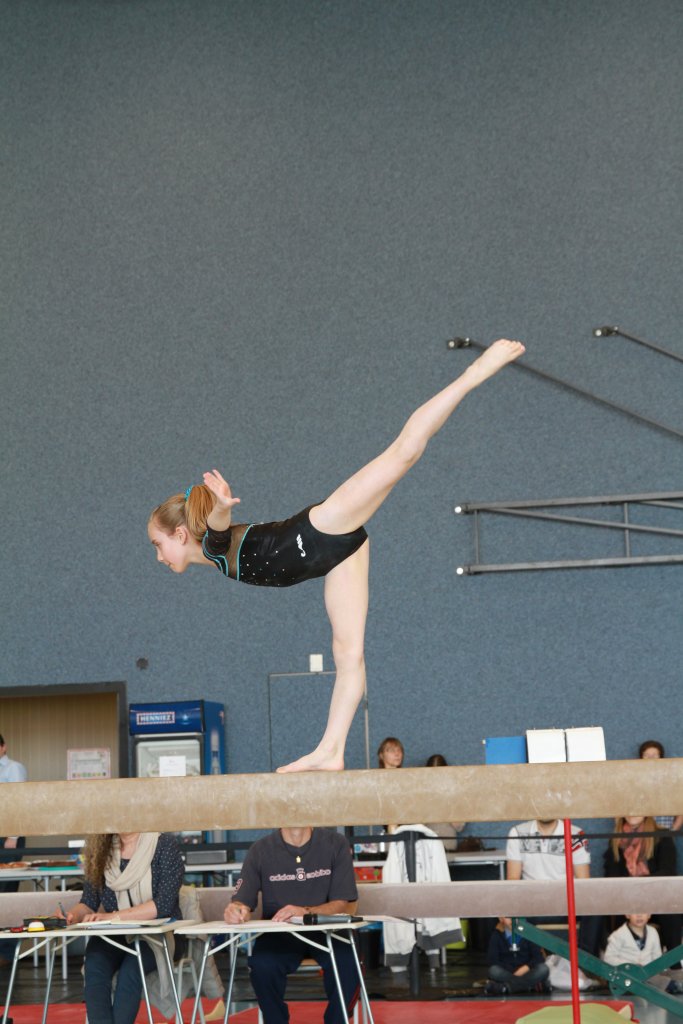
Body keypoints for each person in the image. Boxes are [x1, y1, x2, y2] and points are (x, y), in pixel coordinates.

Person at [148, 339, 525, 773]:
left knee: (404, 452)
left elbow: (214, 534)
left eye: (158, 544)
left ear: (180, 533)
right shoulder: (213, 553)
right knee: (348, 654)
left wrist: (218, 510)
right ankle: (331, 749)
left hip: (321, 528)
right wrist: (216, 511)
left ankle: (476, 372)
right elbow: (213, 534)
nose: (159, 556)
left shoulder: (214, 548)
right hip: (338, 556)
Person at [225, 825, 359, 1024]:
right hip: (280, 933)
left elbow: (343, 904)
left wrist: (305, 912)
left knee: (349, 962)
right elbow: (242, 901)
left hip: (327, 929)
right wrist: (236, 909)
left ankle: (337, 1020)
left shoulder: (336, 844)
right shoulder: (260, 850)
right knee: (262, 966)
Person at [62, 832, 184, 1024]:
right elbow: (88, 902)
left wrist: (112, 916)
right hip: (114, 933)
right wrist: (72, 915)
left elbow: (163, 906)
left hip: (158, 934)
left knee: (130, 972)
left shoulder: (163, 844)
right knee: (94, 967)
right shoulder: (101, 849)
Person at [506, 817, 602, 956]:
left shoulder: (576, 834)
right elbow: (513, 879)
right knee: (497, 907)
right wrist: (508, 910)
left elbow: (583, 883)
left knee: (597, 906)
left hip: (566, 906)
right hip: (533, 907)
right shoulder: (517, 832)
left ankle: (585, 961)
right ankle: (529, 964)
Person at [604, 815, 682, 963]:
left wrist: (639, 887)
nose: (633, 812)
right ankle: (622, 966)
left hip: (657, 898)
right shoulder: (615, 841)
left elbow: (667, 872)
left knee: (671, 912)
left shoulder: (662, 836)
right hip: (628, 902)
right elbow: (612, 877)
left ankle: (674, 965)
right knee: (609, 909)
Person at [0, 732, 28, 968]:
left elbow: (21, 802)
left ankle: (8, 954)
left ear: (3, 747)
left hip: (8, 837)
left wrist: (13, 836)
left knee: (8, 892)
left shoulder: (14, 768)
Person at [603, 913, 683, 993]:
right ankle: (672, 985)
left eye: (643, 912)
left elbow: (657, 958)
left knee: (676, 973)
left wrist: (656, 969)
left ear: (649, 915)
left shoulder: (653, 932)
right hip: (627, 973)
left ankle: (676, 983)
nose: (639, 915)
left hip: (648, 971)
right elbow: (608, 958)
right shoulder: (618, 935)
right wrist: (630, 965)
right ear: (627, 915)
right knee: (649, 978)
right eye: (635, 912)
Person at [485, 916, 550, 995]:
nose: (513, 921)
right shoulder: (496, 935)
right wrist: (513, 971)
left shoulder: (529, 933)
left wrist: (526, 967)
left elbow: (538, 958)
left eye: (516, 917)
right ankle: (531, 986)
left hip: (527, 971)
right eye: (508, 917)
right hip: (507, 972)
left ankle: (505, 987)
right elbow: (492, 960)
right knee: (493, 970)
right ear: (501, 918)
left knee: (543, 969)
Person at [424, 754, 465, 852]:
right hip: (425, 848)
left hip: (448, 847)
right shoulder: (421, 795)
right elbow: (416, 825)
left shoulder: (455, 795)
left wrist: (445, 803)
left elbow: (459, 826)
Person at [638, 741, 683, 831]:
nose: (650, 758)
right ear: (641, 758)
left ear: (661, 757)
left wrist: (673, 830)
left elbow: (681, 805)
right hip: (640, 833)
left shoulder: (672, 779)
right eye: (646, 755)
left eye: (655, 755)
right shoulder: (633, 779)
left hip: (665, 830)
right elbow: (619, 806)